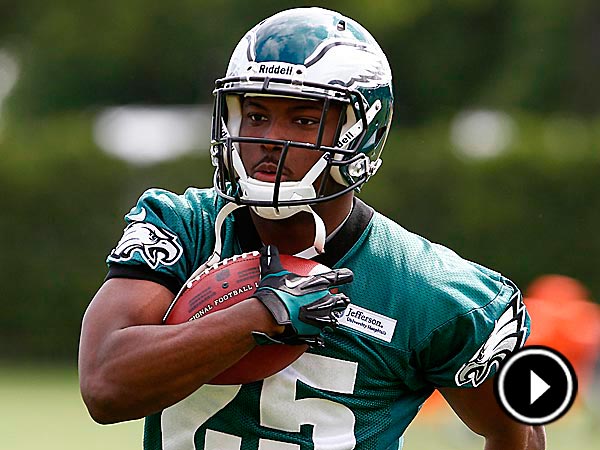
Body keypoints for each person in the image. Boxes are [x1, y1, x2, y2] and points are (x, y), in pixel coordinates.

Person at [78, 7, 546, 450]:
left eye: (303, 120)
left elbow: (516, 431)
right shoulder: (184, 226)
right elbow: (105, 387)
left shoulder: (429, 290)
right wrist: (259, 315)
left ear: (359, 133)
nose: (268, 139)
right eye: (256, 115)